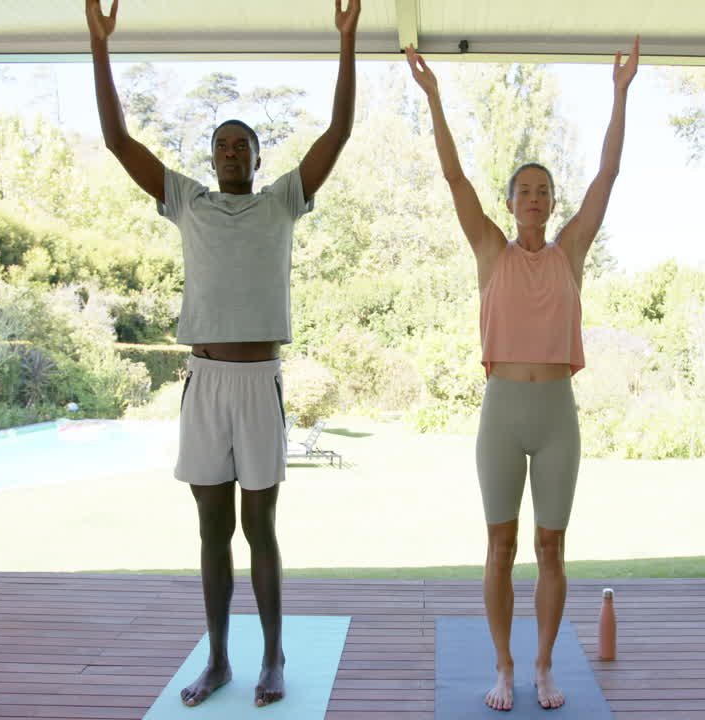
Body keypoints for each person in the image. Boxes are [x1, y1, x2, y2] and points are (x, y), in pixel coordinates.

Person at [85, 0, 359, 707]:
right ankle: (217, 660)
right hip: (204, 381)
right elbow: (118, 140)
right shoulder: (187, 200)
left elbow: (339, 131)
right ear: (211, 158)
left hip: (259, 380)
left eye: (242, 145)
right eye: (222, 145)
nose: (232, 153)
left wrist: (348, 40)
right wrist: (99, 43)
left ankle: (272, 657)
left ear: (258, 158)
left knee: (258, 525)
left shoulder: (281, 202)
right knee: (211, 528)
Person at [406, 37, 639, 711]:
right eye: (523, 190)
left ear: (551, 201)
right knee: (501, 545)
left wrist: (620, 92)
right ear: (510, 203)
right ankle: (503, 667)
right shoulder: (489, 250)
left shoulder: (571, 251)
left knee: (552, 547)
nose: (534, 198)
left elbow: (608, 176)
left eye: (543, 190)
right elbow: (454, 180)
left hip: (556, 413)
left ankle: (542, 667)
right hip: (502, 412)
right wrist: (435, 100)